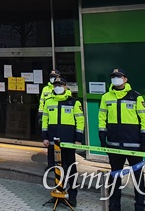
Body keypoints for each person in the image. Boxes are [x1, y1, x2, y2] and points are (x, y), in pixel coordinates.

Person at [99, 68, 145, 211]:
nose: (116, 79)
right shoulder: (106, 97)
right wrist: (102, 137)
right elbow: (102, 118)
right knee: (115, 176)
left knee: (138, 177)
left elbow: (144, 119)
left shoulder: (136, 97)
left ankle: (140, 206)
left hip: (134, 145)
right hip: (114, 144)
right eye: (113, 76)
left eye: (119, 76)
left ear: (125, 79)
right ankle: (114, 205)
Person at [42, 76, 84, 207]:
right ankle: (59, 192)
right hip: (53, 142)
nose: (58, 87)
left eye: (60, 85)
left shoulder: (74, 102)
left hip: (69, 141)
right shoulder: (48, 102)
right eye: (55, 85)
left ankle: (72, 195)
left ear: (66, 87)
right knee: (56, 169)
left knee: (71, 168)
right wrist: (44, 137)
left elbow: (80, 122)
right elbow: (45, 121)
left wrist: (78, 139)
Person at [38, 69, 61, 168]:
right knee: (50, 144)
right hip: (49, 119)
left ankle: (60, 164)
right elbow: (42, 102)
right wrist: (40, 113)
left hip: (61, 120)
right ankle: (51, 165)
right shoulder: (45, 89)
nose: (52, 78)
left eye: (54, 76)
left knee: (61, 145)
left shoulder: (62, 88)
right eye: (51, 76)